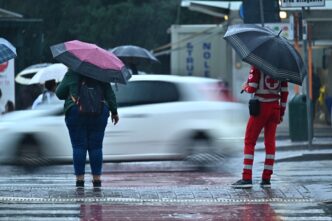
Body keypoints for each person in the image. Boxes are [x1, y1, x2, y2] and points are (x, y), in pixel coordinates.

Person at [55, 70, 119, 188]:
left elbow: (59, 93)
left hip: (75, 110)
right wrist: (114, 112)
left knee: (78, 146)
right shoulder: (101, 72)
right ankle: (97, 179)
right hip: (99, 111)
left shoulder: (73, 71)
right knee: (96, 146)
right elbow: (110, 94)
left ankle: (80, 180)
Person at [232, 65, 288, 188]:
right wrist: (281, 112)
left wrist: (245, 86)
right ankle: (266, 178)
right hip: (275, 108)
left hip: (261, 107)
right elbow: (284, 93)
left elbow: (252, 88)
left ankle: (246, 178)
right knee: (270, 143)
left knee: (249, 141)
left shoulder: (257, 65)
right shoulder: (282, 69)